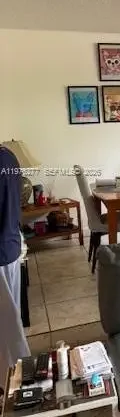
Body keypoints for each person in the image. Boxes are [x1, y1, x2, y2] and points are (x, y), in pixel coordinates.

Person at [0, 145, 30, 388]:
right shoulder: (8, 156)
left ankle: (14, 383)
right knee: (11, 319)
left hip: (3, 251)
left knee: (7, 326)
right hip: (10, 245)